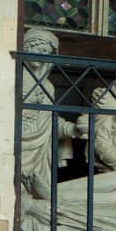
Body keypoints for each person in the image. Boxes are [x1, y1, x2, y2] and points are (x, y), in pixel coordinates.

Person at [18, 28, 76, 201]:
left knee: (40, 193)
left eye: (48, 53)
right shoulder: (14, 77)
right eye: (40, 50)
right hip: (21, 144)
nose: (44, 56)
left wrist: (71, 129)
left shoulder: (47, 86)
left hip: (41, 150)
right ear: (28, 47)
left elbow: (49, 121)